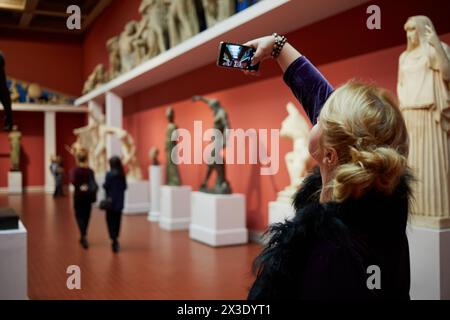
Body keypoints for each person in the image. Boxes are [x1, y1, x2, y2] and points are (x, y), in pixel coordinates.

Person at [245, 34, 412, 299]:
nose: (316, 114)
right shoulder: (386, 199)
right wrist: (278, 47)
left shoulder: (323, 254)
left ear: (330, 155)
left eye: (320, 119)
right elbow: (324, 101)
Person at [70, 149, 97, 249]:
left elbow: (73, 181)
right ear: (87, 158)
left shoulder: (75, 170)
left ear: (77, 158)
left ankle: (83, 234)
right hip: (88, 197)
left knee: (79, 215)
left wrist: (80, 186)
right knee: (86, 216)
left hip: (78, 196)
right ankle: (84, 233)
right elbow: (93, 183)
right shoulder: (90, 171)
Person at [103, 156, 127, 253]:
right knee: (117, 221)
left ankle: (112, 237)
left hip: (110, 202)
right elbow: (125, 187)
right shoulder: (122, 175)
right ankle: (116, 238)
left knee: (110, 220)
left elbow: (106, 186)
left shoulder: (109, 174)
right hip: (119, 202)